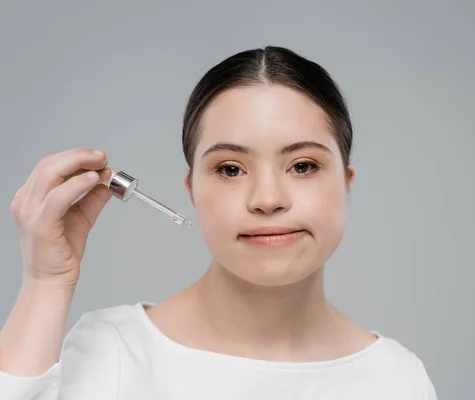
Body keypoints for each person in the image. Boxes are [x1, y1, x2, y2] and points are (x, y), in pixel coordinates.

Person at [0, 45, 437, 399]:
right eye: (230, 169)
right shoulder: (111, 352)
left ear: (346, 181)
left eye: (302, 166)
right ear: (192, 190)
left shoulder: (396, 380)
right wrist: (45, 284)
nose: (267, 200)